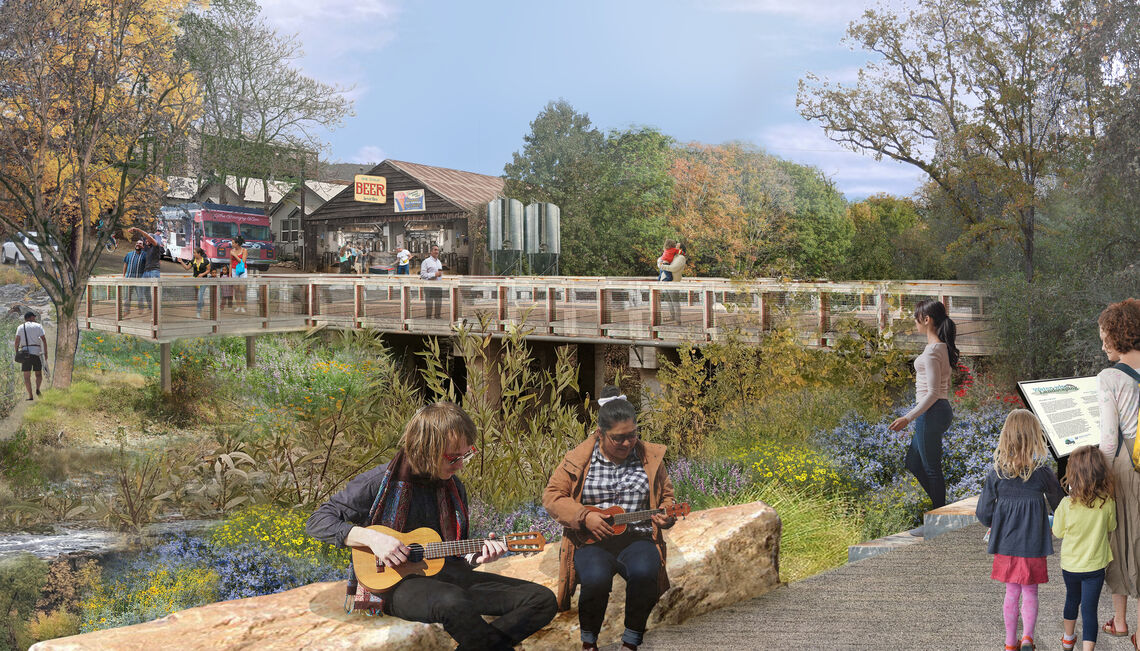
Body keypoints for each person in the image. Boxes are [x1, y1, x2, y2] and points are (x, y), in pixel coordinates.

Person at [306, 402, 557, 650]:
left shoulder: (453, 487)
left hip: (447, 575)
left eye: (466, 455)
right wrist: (372, 539)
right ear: (425, 448)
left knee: (542, 599)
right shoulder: (378, 481)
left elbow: (452, 549)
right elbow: (318, 521)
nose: (460, 465)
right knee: (453, 601)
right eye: (453, 457)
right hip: (395, 585)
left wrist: (474, 555)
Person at [544, 386, 676, 651]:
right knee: (595, 580)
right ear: (601, 434)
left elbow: (667, 498)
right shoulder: (578, 459)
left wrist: (667, 515)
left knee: (645, 573)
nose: (628, 443)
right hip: (591, 540)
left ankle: (631, 641)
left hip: (637, 537)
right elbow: (552, 496)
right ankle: (589, 642)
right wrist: (584, 516)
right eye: (619, 438)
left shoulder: (649, 457)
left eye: (632, 435)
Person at [976, 409, 1065, 651]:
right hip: (1034, 543)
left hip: (1006, 544)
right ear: (1036, 436)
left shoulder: (996, 473)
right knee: (1031, 591)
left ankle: (1009, 643)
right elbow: (1060, 506)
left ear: (1006, 436)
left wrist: (998, 521)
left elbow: (983, 514)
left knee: (1011, 592)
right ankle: (1027, 638)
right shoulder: (1043, 473)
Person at [1093, 298, 1140, 643]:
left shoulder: (1110, 377)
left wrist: (1095, 478)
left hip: (1127, 467)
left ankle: (1122, 624)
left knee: (1122, 539)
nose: (1102, 342)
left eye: (1104, 335)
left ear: (1118, 333)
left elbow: (1109, 440)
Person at [889, 299, 959, 527]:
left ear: (926, 320)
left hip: (931, 412)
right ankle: (942, 511)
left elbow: (932, 394)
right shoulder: (940, 348)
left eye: (916, 317)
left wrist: (907, 417)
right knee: (913, 462)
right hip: (937, 411)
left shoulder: (932, 352)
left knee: (931, 469)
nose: (914, 322)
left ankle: (939, 522)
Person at [1054, 445, 1117, 651]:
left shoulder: (1066, 504)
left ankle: (1067, 638)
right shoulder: (1107, 502)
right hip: (1095, 566)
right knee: (1090, 610)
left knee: (1072, 599)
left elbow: (1058, 532)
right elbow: (1112, 526)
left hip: (1070, 566)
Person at [13, 312, 47, 401]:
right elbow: (44, 339)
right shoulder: (38, 326)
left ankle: (30, 396)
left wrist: (17, 352)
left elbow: (17, 341)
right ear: (31, 317)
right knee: (38, 374)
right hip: (37, 352)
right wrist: (46, 352)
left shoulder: (20, 327)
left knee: (26, 376)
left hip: (25, 354)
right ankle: (38, 389)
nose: (35, 318)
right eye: (34, 317)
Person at [656, 242, 686, 324]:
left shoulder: (681, 258)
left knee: (675, 301)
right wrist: (660, 263)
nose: (675, 246)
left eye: (677, 246)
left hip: (674, 282)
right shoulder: (672, 255)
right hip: (666, 282)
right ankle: (672, 317)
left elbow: (674, 268)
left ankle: (677, 320)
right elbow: (660, 259)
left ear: (681, 249)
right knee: (669, 301)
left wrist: (662, 266)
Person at [178, 248, 211, 318]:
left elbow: (208, 270)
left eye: (195, 253)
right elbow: (187, 268)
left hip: (204, 281)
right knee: (199, 296)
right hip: (196, 281)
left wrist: (202, 274)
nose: (194, 254)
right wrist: (181, 261)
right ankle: (202, 305)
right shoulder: (193, 261)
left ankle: (198, 312)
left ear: (199, 254)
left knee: (200, 295)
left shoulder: (206, 261)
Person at [121, 238, 148, 315]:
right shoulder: (129, 254)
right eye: (137, 243)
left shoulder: (145, 255)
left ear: (143, 246)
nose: (138, 244)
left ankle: (140, 310)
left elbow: (147, 266)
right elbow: (125, 264)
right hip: (129, 278)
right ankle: (126, 311)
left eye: (140, 243)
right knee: (127, 296)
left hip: (139, 279)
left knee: (140, 296)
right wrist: (124, 275)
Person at [419, 244, 444, 319]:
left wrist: (440, 276)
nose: (437, 251)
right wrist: (434, 274)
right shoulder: (426, 262)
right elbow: (422, 275)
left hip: (438, 285)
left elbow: (440, 273)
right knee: (429, 303)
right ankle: (428, 318)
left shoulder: (439, 262)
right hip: (429, 285)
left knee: (438, 302)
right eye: (435, 250)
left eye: (437, 250)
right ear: (431, 251)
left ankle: (437, 317)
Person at [229, 237, 248, 313]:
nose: (232, 244)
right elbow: (230, 263)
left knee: (242, 289)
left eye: (233, 243)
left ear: (237, 243)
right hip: (234, 270)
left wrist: (235, 255)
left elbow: (242, 262)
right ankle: (238, 305)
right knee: (236, 289)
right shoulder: (231, 251)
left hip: (242, 270)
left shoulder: (244, 250)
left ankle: (243, 306)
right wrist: (230, 274)